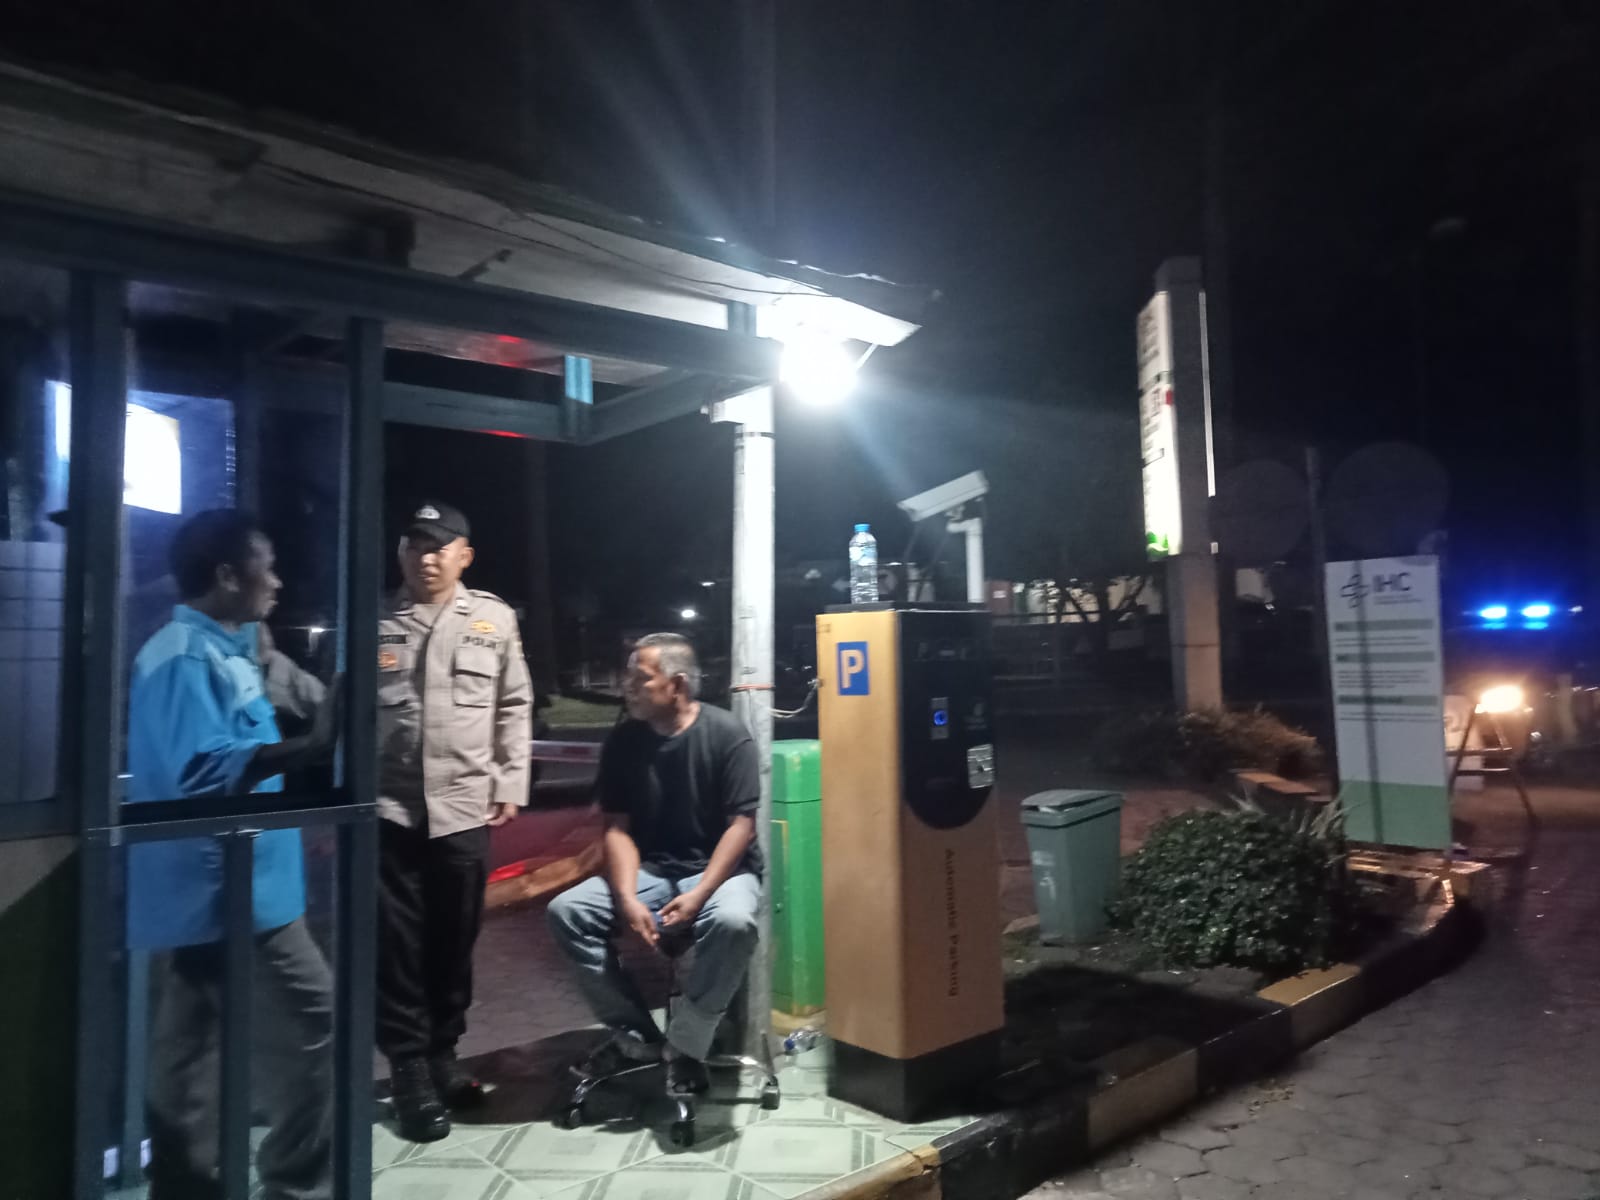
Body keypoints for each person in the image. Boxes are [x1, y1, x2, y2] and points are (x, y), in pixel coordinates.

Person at [126, 509, 342, 1200]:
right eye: (265, 568)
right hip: (228, 899)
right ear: (226, 575)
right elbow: (202, 770)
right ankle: (294, 1185)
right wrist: (309, 747)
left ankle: (191, 1187)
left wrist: (329, 711)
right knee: (317, 1027)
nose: (275, 582)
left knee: (189, 1061)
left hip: (230, 898)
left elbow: (293, 704)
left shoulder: (227, 649)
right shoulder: (184, 658)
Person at [376, 501, 533, 1141]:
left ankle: (444, 1053)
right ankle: (408, 1068)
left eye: (440, 546)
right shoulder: (373, 619)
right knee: (397, 947)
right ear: (401, 552)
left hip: (464, 807)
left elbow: (514, 704)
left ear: (464, 556)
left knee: (454, 940)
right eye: (415, 544)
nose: (426, 556)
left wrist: (511, 781)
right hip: (389, 809)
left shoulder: (493, 618)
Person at [547, 633, 763, 1096]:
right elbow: (617, 828)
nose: (626, 687)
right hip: (652, 873)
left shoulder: (728, 735)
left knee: (733, 920)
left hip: (719, 872)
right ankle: (638, 1037)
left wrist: (699, 895)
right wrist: (626, 898)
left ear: (677, 684)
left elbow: (741, 827)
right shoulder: (625, 741)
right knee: (568, 911)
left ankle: (686, 1046)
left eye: (639, 678)